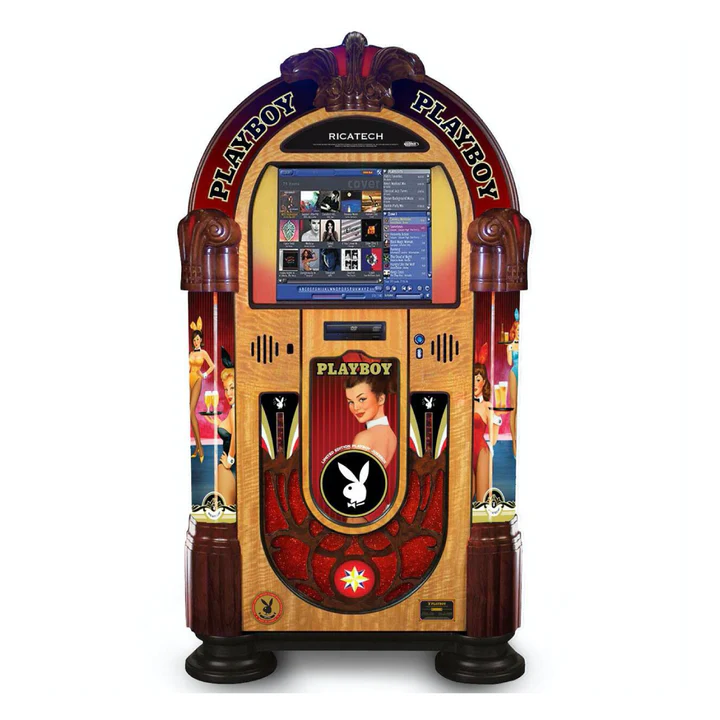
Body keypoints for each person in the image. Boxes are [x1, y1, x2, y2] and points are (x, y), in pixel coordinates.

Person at [345, 374, 397, 468]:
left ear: (381, 399)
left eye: (362, 399)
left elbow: (354, 475)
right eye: (350, 402)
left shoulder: (364, 437)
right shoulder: (392, 435)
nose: (355, 407)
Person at [205, 348, 236, 506]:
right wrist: (218, 423)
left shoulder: (235, 411)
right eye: (226, 389)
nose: (228, 393)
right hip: (231, 468)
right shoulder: (235, 409)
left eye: (232, 388)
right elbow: (231, 428)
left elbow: (235, 435)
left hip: (229, 468)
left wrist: (229, 460)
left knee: (226, 512)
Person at [472, 357, 499, 508]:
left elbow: (493, 440)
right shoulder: (462, 404)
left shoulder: (487, 406)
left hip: (482, 452)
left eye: (478, 379)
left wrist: (497, 420)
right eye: (472, 379)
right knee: (464, 495)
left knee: (482, 500)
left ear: (484, 382)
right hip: (465, 453)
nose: (474, 383)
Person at [188, 317, 215, 462]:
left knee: (190, 411)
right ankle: (198, 447)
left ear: (201, 340)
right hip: (188, 379)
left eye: (197, 339)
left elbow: (212, 366)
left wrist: (204, 375)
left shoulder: (203, 353)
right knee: (189, 413)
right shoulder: (190, 354)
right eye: (194, 340)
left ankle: (200, 447)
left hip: (198, 379)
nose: (195, 342)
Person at [507, 316, 520, 457]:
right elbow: (510, 362)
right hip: (514, 372)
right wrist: (510, 349)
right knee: (513, 406)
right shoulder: (510, 346)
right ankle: (514, 441)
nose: (519, 332)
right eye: (518, 330)